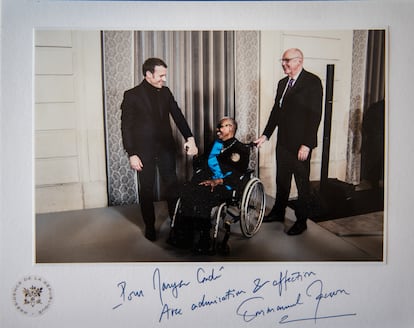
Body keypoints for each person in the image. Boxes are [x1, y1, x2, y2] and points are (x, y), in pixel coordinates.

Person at [120, 57, 198, 242]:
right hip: (142, 152)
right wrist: (131, 153)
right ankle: (149, 226)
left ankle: (176, 223)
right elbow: (126, 127)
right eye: (160, 75)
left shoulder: (166, 92)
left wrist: (190, 138)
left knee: (171, 186)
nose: (164, 79)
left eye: (165, 75)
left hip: (165, 149)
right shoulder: (132, 95)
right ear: (148, 74)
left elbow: (178, 116)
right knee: (146, 189)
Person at [254, 48, 323, 235]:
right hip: (283, 143)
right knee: (281, 180)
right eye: (282, 60)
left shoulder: (312, 82)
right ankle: (278, 212)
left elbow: (315, 115)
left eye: (287, 60)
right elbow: (276, 112)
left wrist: (307, 144)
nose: (283, 64)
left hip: (300, 146)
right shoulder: (283, 83)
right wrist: (266, 135)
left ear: (299, 60)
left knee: (302, 184)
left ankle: (301, 221)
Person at [168, 117, 250, 254]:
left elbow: (239, 174)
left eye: (221, 126)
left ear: (231, 128)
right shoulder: (215, 144)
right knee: (186, 192)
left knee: (203, 196)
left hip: (225, 185)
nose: (218, 129)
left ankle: (204, 239)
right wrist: (195, 155)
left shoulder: (240, 149)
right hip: (206, 179)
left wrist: (217, 181)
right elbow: (202, 163)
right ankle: (185, 236)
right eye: (218, 126)